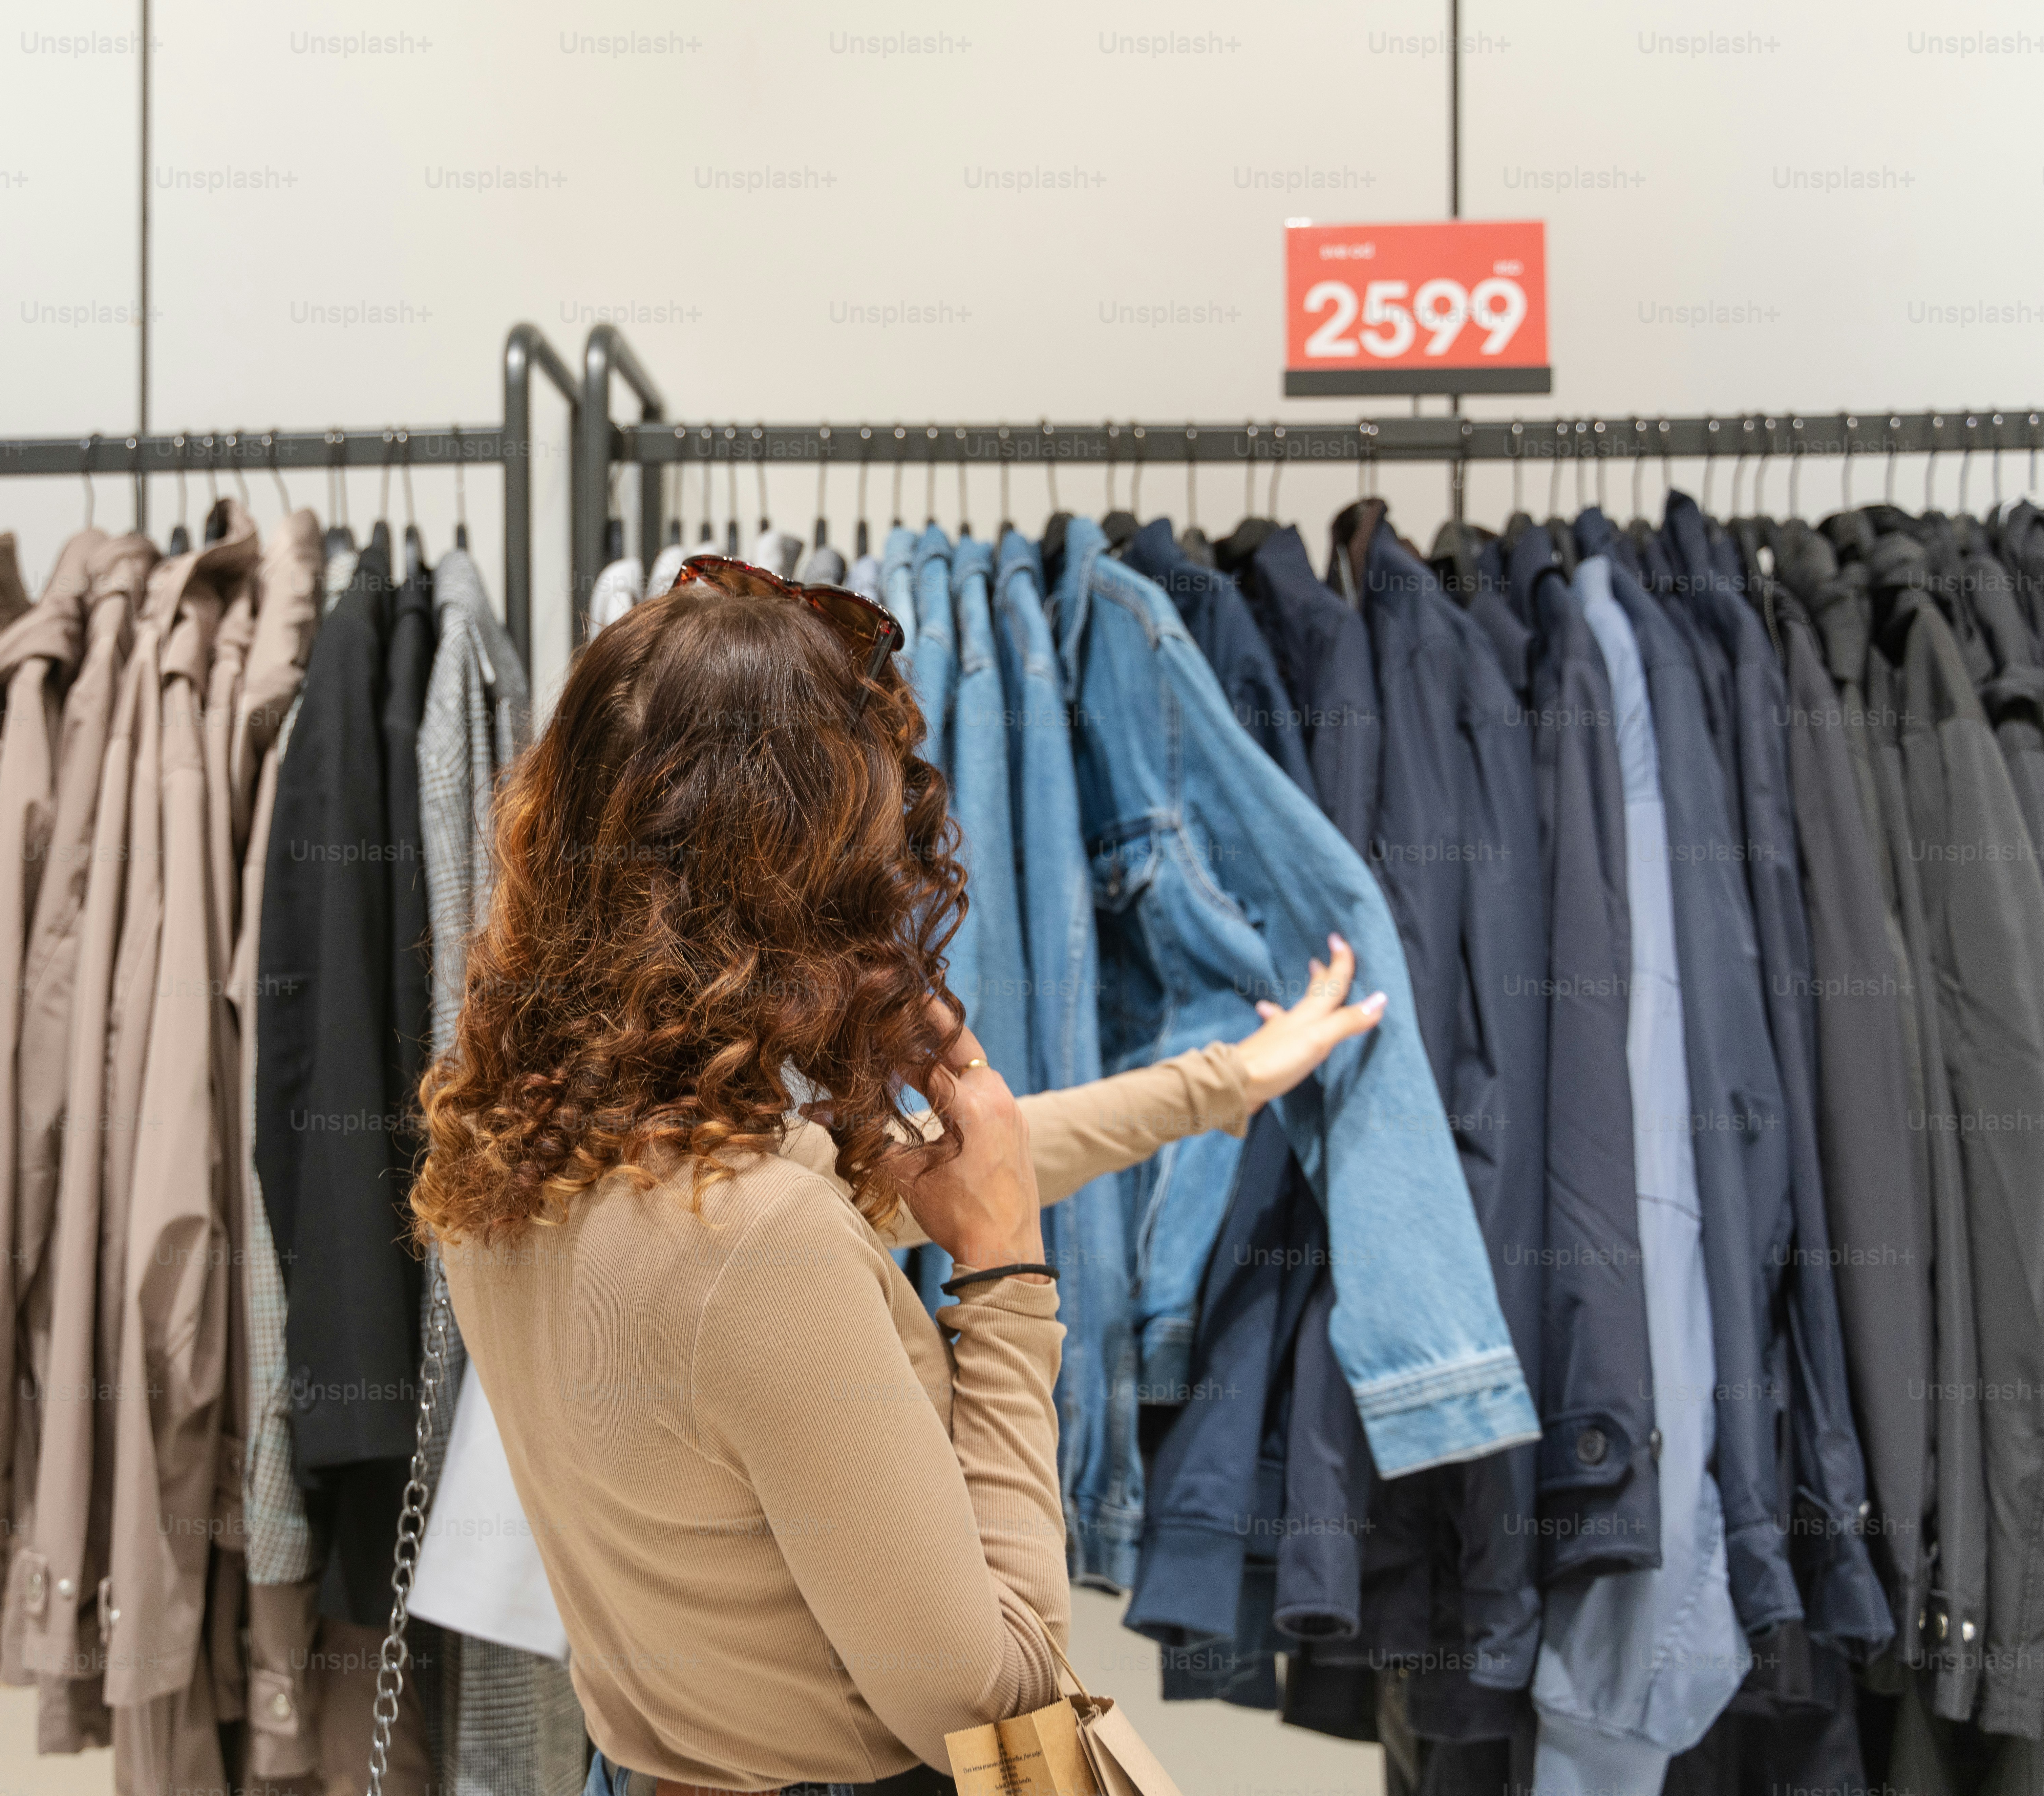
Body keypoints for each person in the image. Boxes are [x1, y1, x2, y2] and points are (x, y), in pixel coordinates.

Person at [412, 556, 1385, 1796]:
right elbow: (990, 1706)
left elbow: (958, 1158)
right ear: (800, 882)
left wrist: (1227, 1082)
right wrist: (1007, 1276)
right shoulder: (754, 1236)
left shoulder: (535, 1145)